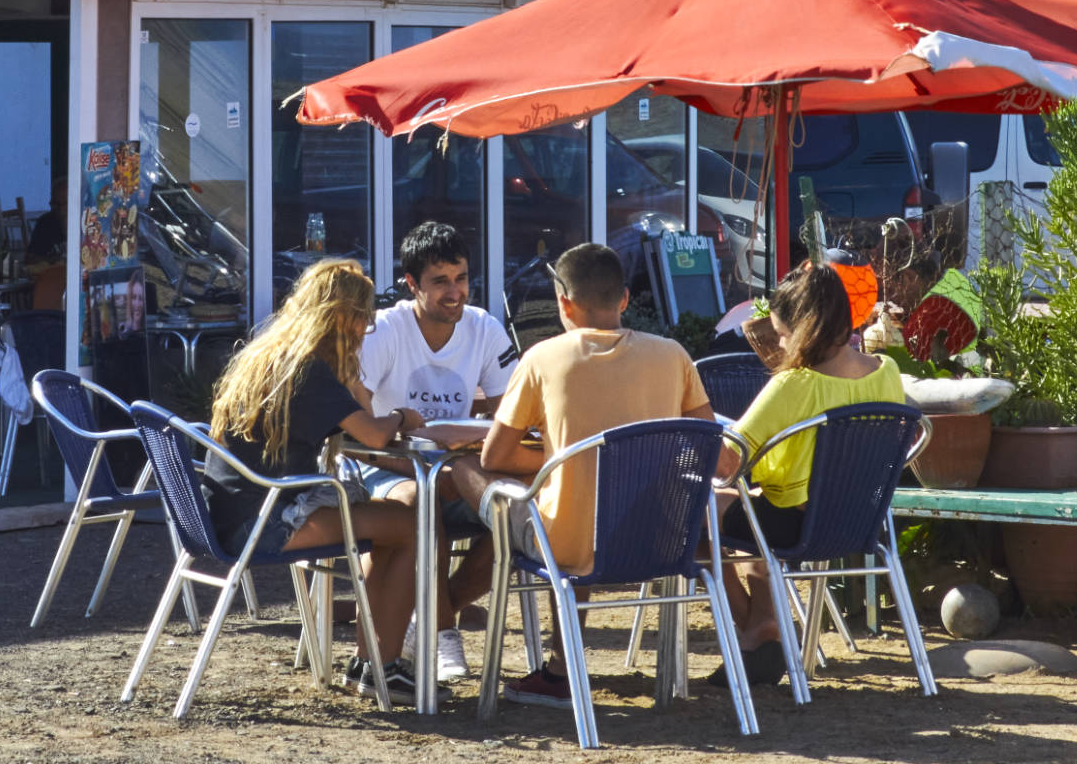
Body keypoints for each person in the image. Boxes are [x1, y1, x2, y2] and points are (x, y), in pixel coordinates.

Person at [450, 242, 719, 709]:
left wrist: (566, 459)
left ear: (563, 304)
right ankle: (553, 665)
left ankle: (453, 625)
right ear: (625, 300)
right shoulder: (673, 355)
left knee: (467, 468)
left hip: (568, 545)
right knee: (580, 495)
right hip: (658, 538)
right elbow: (709, 446)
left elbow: (494, 456)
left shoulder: (542, 357)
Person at [205, 259, 429, 705]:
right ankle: (379, 666)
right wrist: (404, 416)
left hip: (228, 515)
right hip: (263, 523)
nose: (368, 327)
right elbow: (373, 434)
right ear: (341, 316)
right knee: (412, 526)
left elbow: (349, 435)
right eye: (364, 316)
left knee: (388, 524)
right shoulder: (310, 369)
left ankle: (373, 662)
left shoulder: (270, 355)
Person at [715, 261, 902, 690]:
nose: (779, 342)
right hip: (858, 521)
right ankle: (762, 623)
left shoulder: (795, 384)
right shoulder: (886, 372)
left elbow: (728, 462)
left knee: (696, 511)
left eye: (782, 333)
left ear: (804, 328)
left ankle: (754, 629)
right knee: (760, 506)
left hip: (795, 523)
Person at [352, 221, 516, 680]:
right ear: (411, 284)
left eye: (461, 278)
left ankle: (431, 613)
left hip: (451, 469)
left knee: (516, 511)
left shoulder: (484, 327)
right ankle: (443, 633)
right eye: (440, 281)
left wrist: (475, 440)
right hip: (381, 468)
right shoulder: (384, 330)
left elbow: (515, 418)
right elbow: (355, 428)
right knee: (423, 500)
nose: (454, 292)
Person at [27, 177, 69, 263]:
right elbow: (30, 258)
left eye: (64, 204)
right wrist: (51, 261)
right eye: (55, 204)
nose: (60, 210)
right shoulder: (45, 222)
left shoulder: (85, 222)